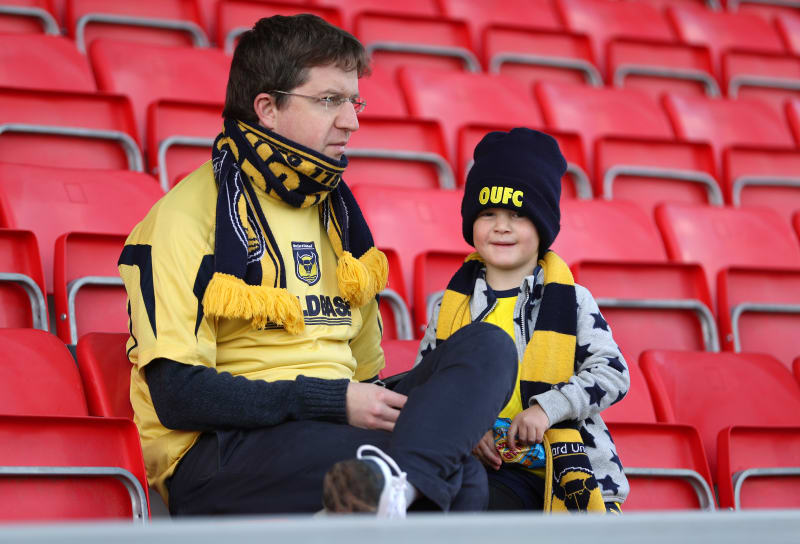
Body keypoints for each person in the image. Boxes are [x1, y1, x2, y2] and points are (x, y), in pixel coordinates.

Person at [118, 13, 517, 517]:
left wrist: (443, 415)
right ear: (267, 108)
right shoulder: (181, 218)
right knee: (459, 473)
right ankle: (397, 480)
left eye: (355, 101)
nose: (351, 120)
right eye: (330, 100)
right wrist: (330, 402)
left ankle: (394, 483)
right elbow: (179, 396)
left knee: (489, 345)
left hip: (333, 426)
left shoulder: (340, 218)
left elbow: (366, 378)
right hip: (222, 453)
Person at [413, 128, 630, 513]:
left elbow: (613, 374)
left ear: (542, 226)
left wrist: (547, 408)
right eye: (488, 213)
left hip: (557, 470)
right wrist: (462, 427)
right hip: (479, 464)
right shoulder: (450, 305)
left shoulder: (573, 301)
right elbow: (425, 381)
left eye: (518, 215)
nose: (501, 226)